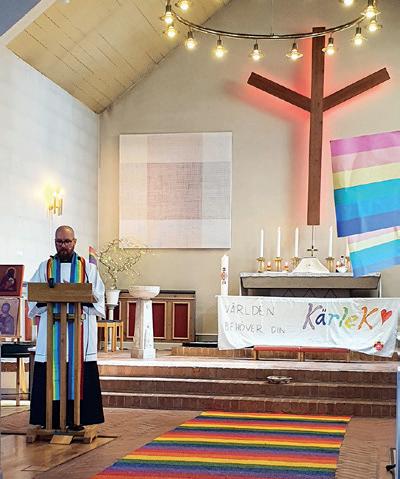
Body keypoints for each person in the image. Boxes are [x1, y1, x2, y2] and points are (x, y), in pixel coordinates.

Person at [28, 225, 105, 429]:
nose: (63, 246)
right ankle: (50, 420)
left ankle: (78, 419)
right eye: (59, 242)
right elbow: (32, 297)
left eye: (67, 242)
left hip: (79, 332)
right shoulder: (45, 267)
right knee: (51, 371)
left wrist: (84, 299)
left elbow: (99, 298)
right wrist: (44, 300)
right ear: (55, 242)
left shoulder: (88, 269)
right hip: (52, 331)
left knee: (78, 371)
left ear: (75, 242)